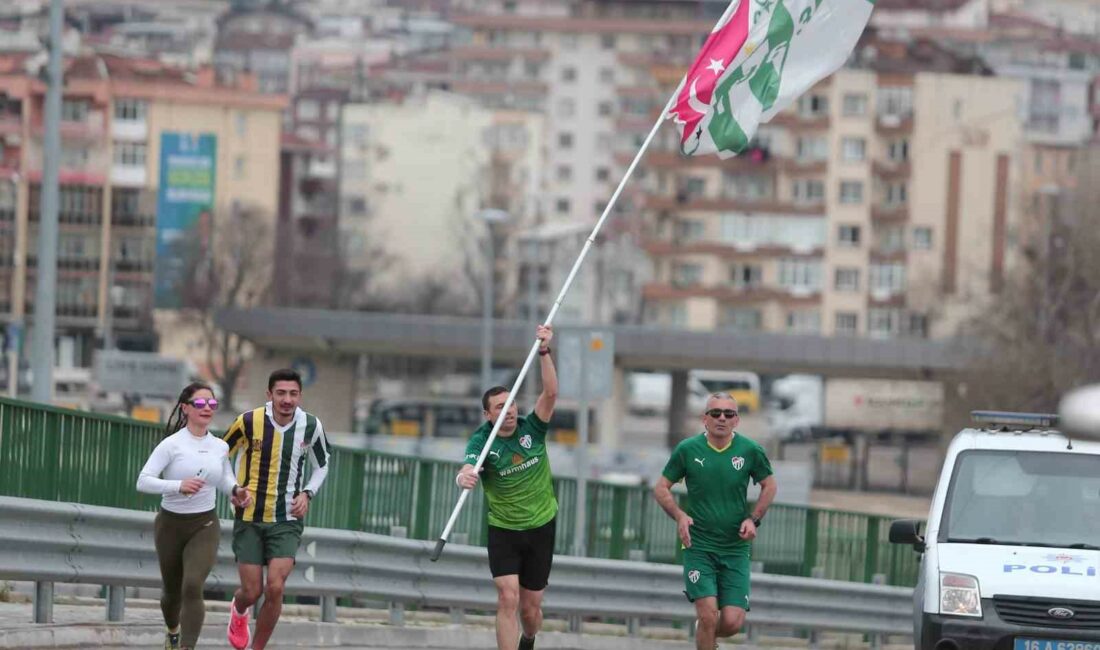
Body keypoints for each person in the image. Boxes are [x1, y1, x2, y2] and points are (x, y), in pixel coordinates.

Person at [456, 325, 558, 650]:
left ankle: (528, 638)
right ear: (487, 414)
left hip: (540, 525)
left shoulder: (533, 428)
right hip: (504, 529)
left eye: (511, 403)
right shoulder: (482, 441)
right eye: (500, 406)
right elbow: (468, 467)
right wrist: (464, 477)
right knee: (507, 597)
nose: (509, 410)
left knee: (530, 610)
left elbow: (550, 394)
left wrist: (544, 351)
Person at [653, 393, 778, 650]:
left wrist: (754, 519)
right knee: (709, 615)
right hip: (698, 546)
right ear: (705, 419)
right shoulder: (688, 449)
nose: (722, 418)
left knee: (731, 623)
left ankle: (705, 632)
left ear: (736, 420)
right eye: (715, 413)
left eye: (728, 414)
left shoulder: (750, 450)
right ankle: (706, 627)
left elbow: (770, 485)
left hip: (735, 548)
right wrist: (679, 515)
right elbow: (661, 487)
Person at [136, 382, 253, 650]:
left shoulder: (219, 446)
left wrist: (236, 490)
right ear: (185, 408)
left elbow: (224, 478)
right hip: (170, 525)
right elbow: (143, 481)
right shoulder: (171, 445)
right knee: (171, 594)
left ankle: (187, 646)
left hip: (204, 524)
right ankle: (173, 631)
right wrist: (178, 485)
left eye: (212, 404)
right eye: (200, 403)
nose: (207, 408)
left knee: (192, 585)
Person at [221, 369, 331, 650]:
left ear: (300, 396)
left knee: (275, 587)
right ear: (269, 394)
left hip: (287, 519)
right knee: (251, 591)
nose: (287, 400)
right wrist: (233, 488)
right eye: (281, 393)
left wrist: (308, 493)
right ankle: (239, 610)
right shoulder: (248, 421)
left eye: (293, 393)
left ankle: (257, 648)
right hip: (249, 516)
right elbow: (219, 456)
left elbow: (322, 465)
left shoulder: (311, 426)